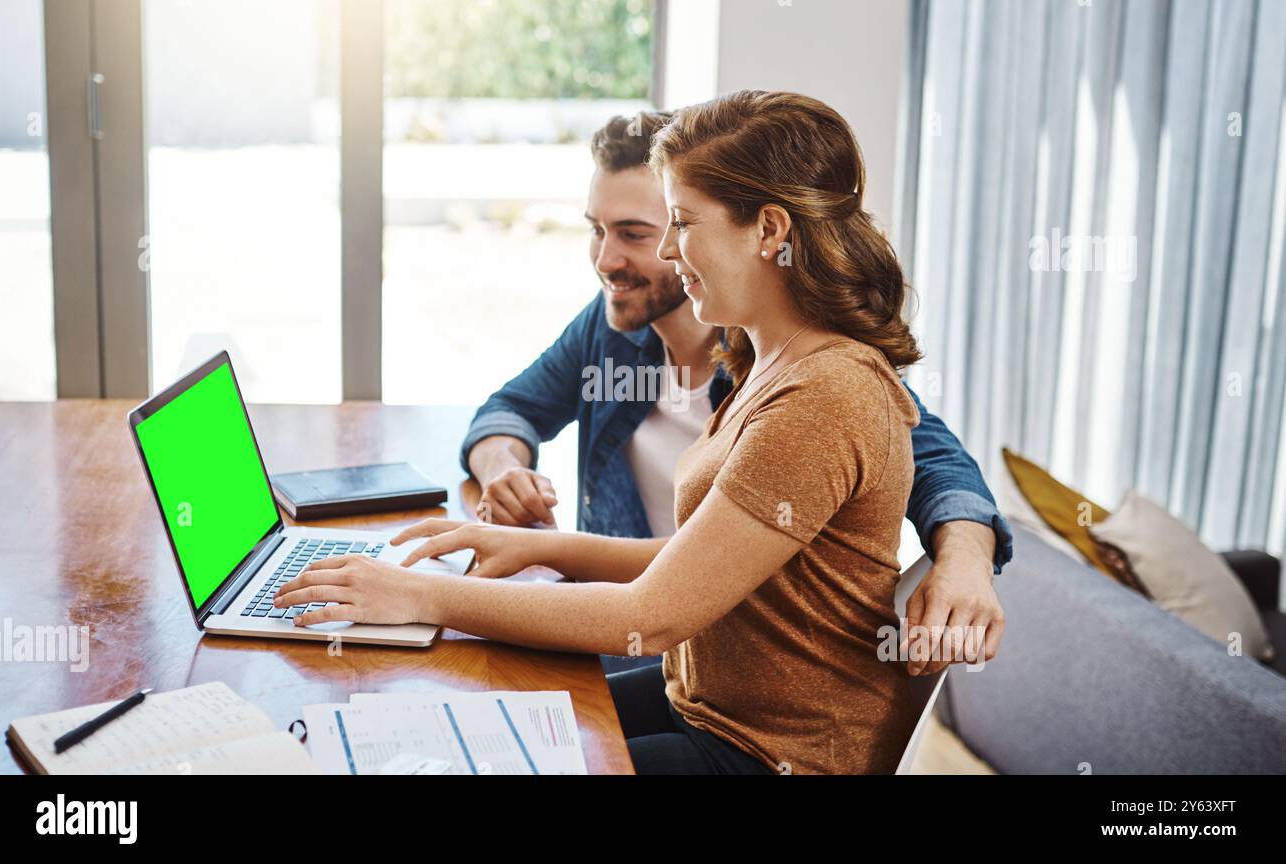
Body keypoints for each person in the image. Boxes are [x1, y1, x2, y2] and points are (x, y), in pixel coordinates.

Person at [275, 91, 1005, 774]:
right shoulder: (761, 353)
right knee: (456, 717)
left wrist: (418, 597)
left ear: (770, 231)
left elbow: (650, 617)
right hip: (705, 703)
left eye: (680, 224)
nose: (665, 252)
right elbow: (705, 558)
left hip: (769, 752)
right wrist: (535, 544)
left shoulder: (825, 392)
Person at [460, 107, 1012, 677]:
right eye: (596, 231)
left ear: (761, 232)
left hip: (690, 646)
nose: (606, 260)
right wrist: (505, 468)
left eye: (639, 232)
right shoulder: (611, 329)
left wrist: (967, 557)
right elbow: (511, 408)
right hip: (650, 634)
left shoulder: (802, 369)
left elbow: (932, 456)